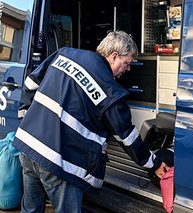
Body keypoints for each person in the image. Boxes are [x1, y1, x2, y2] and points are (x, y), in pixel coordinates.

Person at [12, 30, 173, 213]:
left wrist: (25, 120)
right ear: (114, 56)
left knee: (30, 209)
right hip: (59, 161)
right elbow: (127, 137)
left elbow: (30, 83)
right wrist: (155, 163)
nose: (128, 69)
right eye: (127, 63)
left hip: (28, 148)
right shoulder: (110, 91)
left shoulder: (64, 54)